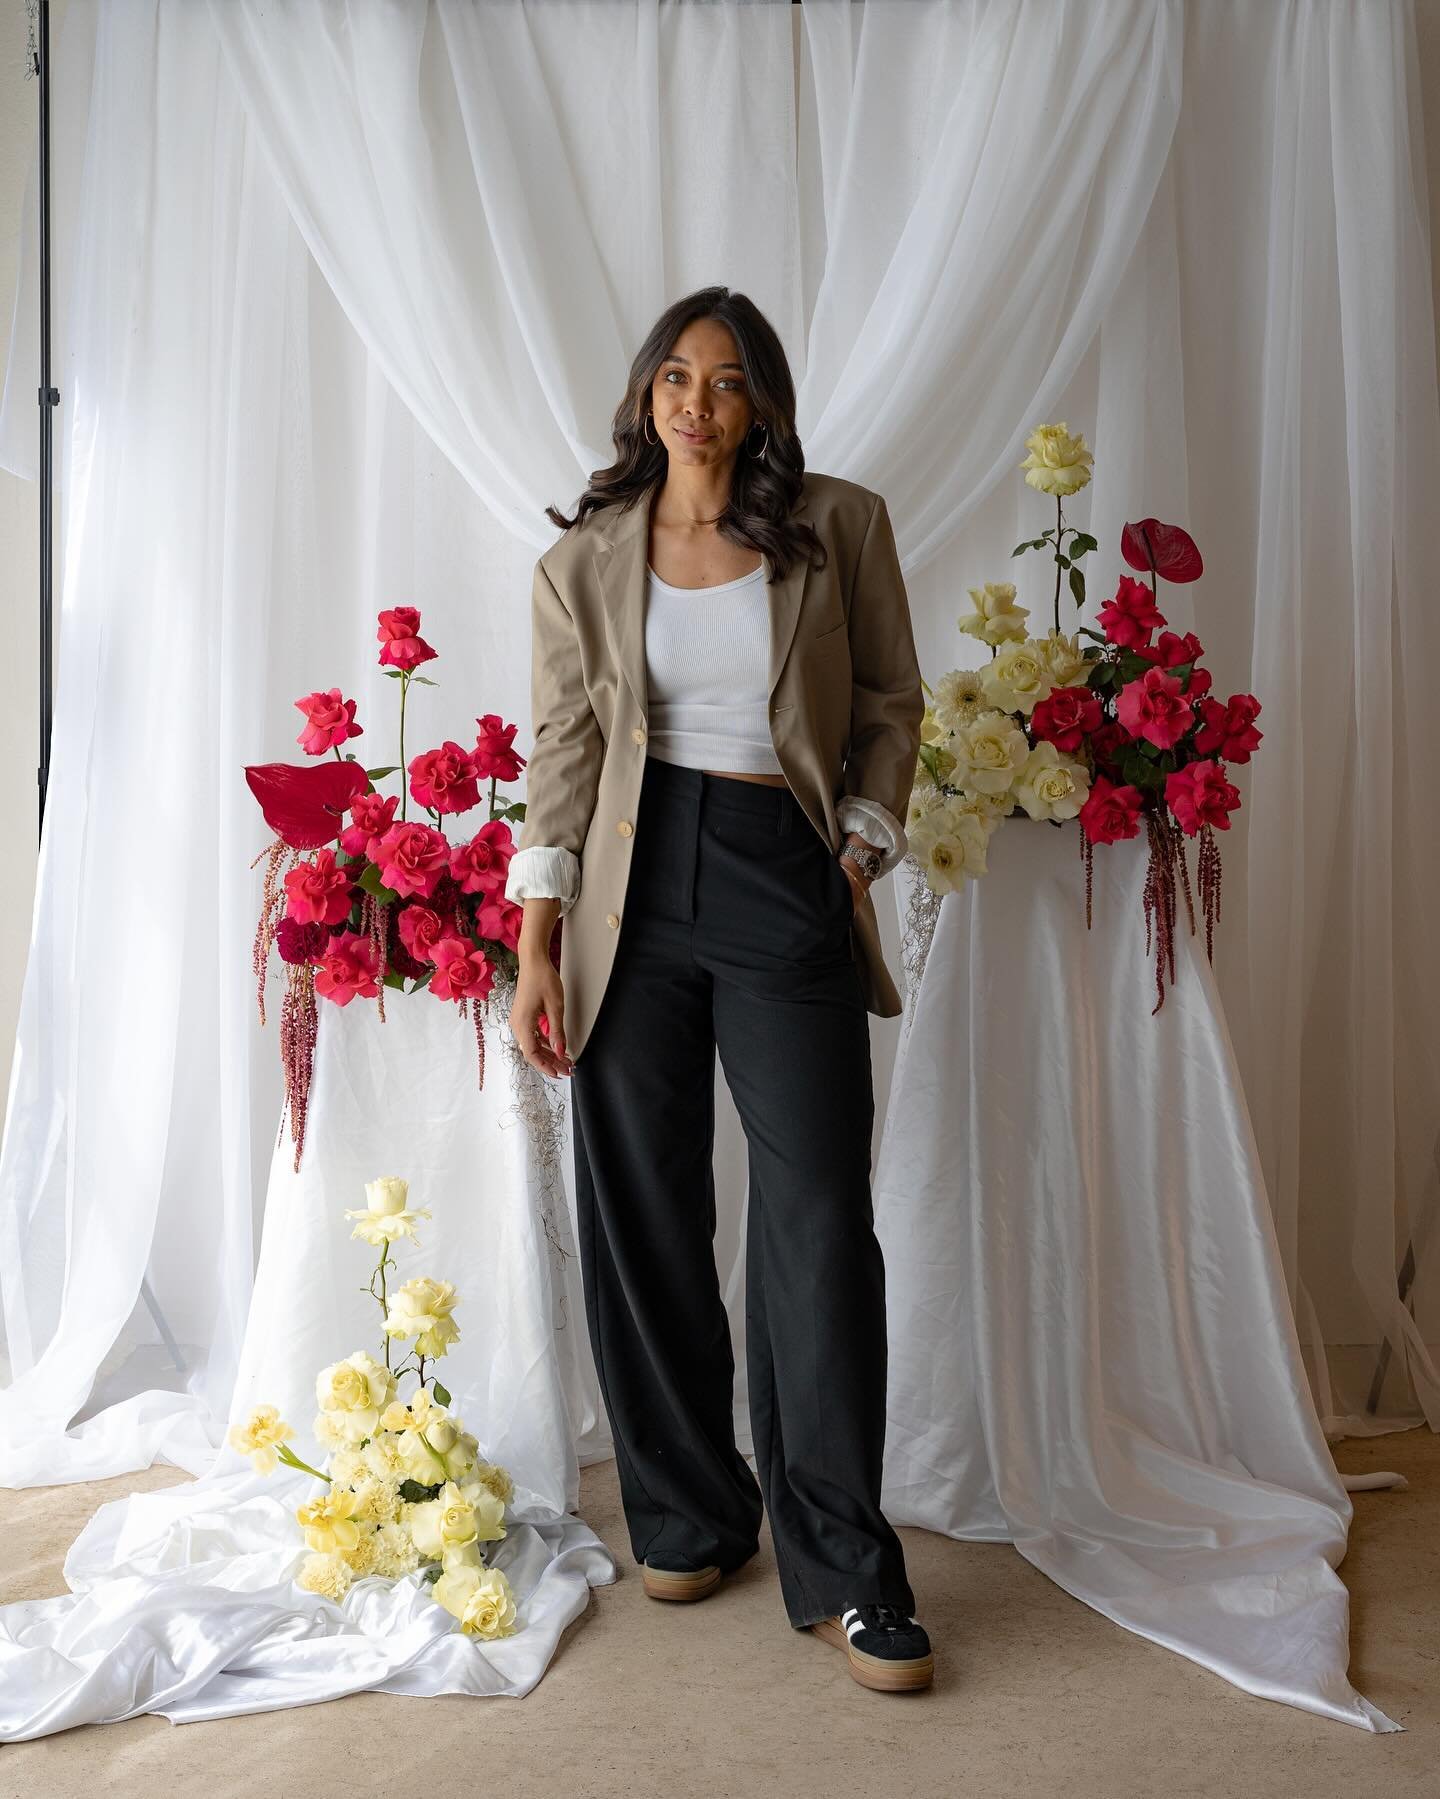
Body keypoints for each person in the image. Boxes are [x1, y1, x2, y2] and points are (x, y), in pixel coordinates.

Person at [504, 286, 931, 1694]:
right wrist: (535, 944)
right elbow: (561, 755)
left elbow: (887, 706)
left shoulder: (839, 525)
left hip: (777, 868)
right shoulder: (586, 560)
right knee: (642, 1207)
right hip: (630, 888)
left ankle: (846, 1567)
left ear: (763, 403)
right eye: (674, 376)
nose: (696, 401)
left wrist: (864, 839)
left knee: (815, 1216)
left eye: (727, 380)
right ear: (645, 396)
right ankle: (690, 1512)